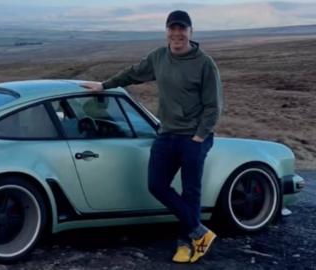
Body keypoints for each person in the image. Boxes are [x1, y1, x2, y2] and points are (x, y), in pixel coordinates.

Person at [81, 10, 223, 263]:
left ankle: (186, 244)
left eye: (182, 29)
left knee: (191, 192)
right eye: (173, 28)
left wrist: (200, 137)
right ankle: (200, 233)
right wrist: (104, 85)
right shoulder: (159, 57)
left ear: (191, 32)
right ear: (167, 31)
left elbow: (213, 105)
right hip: (167, 134)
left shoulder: (204, 63)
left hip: (193, 137)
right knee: (156, 185)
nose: (177, 34)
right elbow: (133, 73)